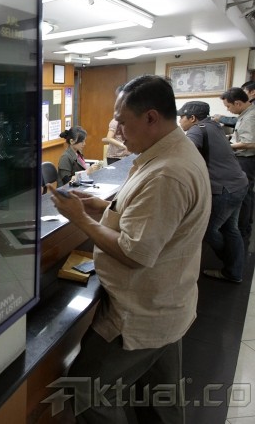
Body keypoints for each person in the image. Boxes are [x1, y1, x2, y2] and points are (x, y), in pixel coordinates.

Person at [50, 75, 211, 423]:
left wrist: (80, 219)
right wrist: (101, 207)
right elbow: (150, 218)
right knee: (158, 399)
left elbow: (134, 253)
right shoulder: (171, 152)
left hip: (140, 314)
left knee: (86, 394)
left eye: (122, 122)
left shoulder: (167, 173)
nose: (118, 132)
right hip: (168, 306)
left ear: (151, 117)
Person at [178, 101, 248, 283]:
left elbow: (185, 154)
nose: (179, 121)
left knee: (207, 229)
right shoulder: (214, 125)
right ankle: (235, 269)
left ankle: (232, 264)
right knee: (230, 228)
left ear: (192, 118)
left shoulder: (196, 130)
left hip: (225, 189)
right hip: (239, 183)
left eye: (181, 117)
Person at [220, 87, 255, 247]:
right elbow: (241, 136)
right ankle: (244, 226)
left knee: (244, 194)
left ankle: (242, 230)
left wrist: (227, 146)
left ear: (238, 103)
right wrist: (228, 137)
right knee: (246, 193)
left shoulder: (250, 117)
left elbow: (249, 142)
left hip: (246, 160)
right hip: (245, 159)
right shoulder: (246, 114)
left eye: (228, 106)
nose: (228, 110)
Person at [102, 86, 130, 165]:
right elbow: (108, 138)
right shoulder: (115, 121)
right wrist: (122, 145)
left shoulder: (130, 121)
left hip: (126, 156)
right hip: (115, 156)